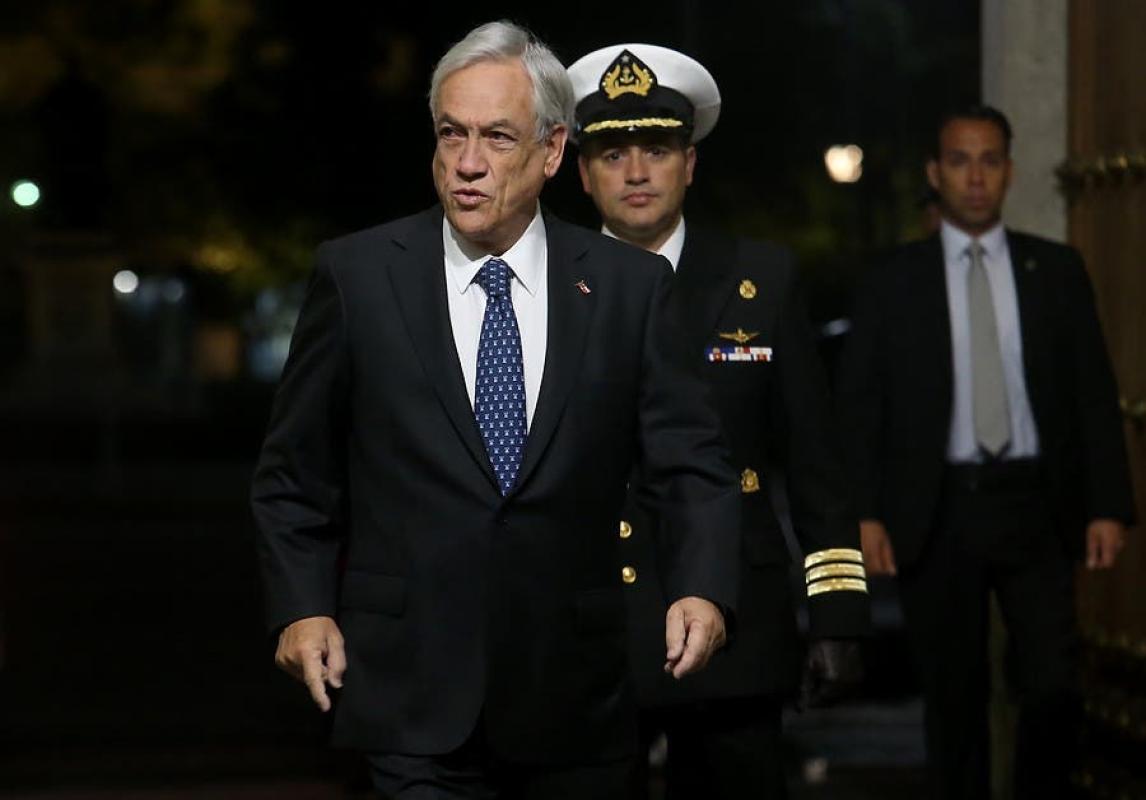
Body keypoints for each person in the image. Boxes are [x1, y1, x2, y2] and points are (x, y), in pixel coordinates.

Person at [250, 22, 743, 799]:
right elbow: (292, 475)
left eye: (498, 137)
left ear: (552, 152)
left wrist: (702, 585)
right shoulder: (358, 276)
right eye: (452, 133)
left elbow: (690, 463)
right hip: (409, 695)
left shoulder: (627, 287)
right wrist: (301, 609)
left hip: (574, 699)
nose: (468, 162)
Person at [568, 44, 870, 798]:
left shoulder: (761, 279)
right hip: (593, 619)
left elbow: (814, 460)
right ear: (581, 173)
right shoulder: (544, 285)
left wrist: (837, 612)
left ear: (691, 163)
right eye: (613, 154)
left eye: (657, 150)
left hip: (740, 616)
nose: (636, 172)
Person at [837, 104, 1135, 798]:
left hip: (1035, 504)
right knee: (954, 700)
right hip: (937, 508)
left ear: (1009, 172)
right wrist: (865, 514)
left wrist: (1107, 506)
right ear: (935, 172)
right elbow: (859, 407)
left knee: (1054, 686)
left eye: (990, 161)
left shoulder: (1054, 270)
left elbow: (1092, 393)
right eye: (960, 161)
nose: (976, 177)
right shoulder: (892, 279)